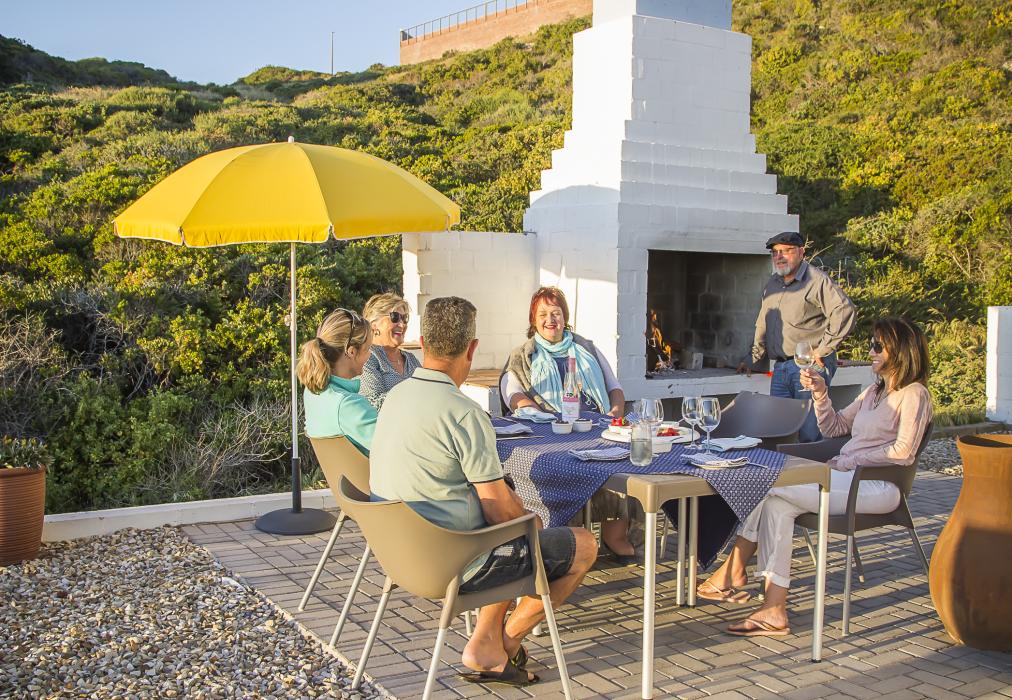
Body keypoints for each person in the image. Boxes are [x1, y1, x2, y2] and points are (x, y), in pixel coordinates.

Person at [370, 296, 597, 688]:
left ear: (422, 343)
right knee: (581, 544)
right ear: (472, 349)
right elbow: (500, 513)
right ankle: (503, 643)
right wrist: (531, 518)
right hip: (452, 564)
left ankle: (488, 641)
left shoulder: (395, 398)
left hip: (400, 556)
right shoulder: (463, 413)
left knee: (510, 529)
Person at [701, 317, 932, 636]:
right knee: (777, 505)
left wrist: (850, 459)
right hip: (846, 476)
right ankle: (773, 608)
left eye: (878, 346)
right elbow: (834, 428)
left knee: (769, 486)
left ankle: (735, 567)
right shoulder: (873, 393)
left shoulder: (915, 394)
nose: (871, 351)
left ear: (901, 350)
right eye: (872, 344)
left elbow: (904, 451)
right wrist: (821, 394)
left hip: (877, 485)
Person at [503, 286, 636, 563]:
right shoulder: (522, 355)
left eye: (556, 313)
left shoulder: (586, 348)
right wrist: (542, 415)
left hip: (595, 427)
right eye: (543, 314)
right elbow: (513, 394)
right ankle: (569, 539)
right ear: (533, 320)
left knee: (623, 459)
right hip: (552, 433)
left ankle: (615, 534)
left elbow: (615, 387)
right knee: (561, 469)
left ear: (565, 317)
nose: (550, 319)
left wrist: (613, 413)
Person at [737, 231, 857, 442]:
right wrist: (753, 358)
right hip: (780, 368)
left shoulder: (816, 280)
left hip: (810, 366)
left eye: (786, 251)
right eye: (775, 252)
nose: (779, 257)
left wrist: (823, 349)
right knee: (777, 431)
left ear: (801, 252)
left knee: (810, 432)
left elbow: (845, 311)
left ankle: (814, 465)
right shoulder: (773, 283)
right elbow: (763, 323)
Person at [297, 308, 377, 455]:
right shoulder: (348, 404)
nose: (370, 355)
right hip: (369, 470)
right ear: (351, 352)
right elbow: (395, 446)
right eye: (367, 349)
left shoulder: (312, 393)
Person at [359, 292, 421, 411]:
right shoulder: (367, 357)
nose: (402, 324)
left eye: (405, 318)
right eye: (395, 317)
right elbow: (374, 403)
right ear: (374, 325)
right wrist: (415, 393)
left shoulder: (411, 359)